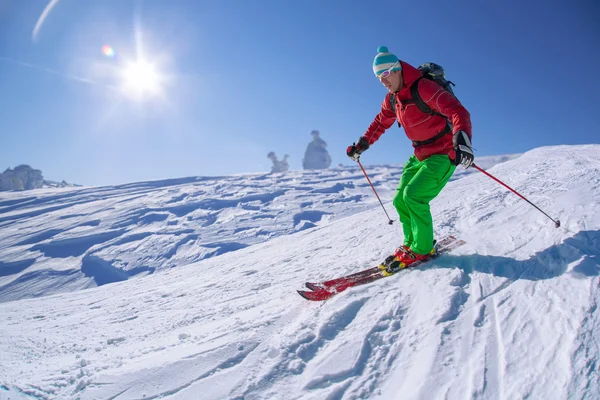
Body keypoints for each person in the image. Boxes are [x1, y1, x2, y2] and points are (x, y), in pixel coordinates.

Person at [347, 46, 474, 268]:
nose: (383, 81)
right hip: (419, 154)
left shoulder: (424, 88)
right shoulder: (392, 100)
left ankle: (422, 249)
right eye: (379, 77)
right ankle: (411, 243)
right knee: (400, 199)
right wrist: (362, 144)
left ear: (397, 70)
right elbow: (380, 123)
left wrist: (462, 140)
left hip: (444, 153)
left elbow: (457, 111)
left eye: (386, 74)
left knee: (414, 196)